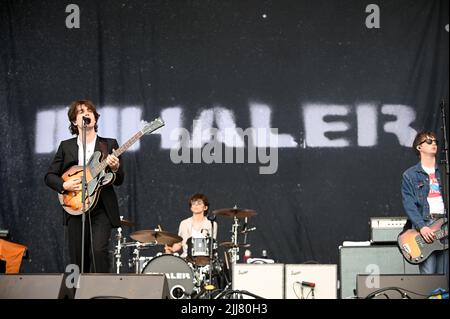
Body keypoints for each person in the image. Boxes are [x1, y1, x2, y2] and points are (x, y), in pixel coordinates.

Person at [45, 100, 124, 273]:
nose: (86, 114)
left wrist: (116, 168)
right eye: (81, 112)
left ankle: (102, 292)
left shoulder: (108, 144)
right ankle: (76, 293)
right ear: (74, 121)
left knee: (98, 251)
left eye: (90, 111)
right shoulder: (66, 146)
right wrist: (64, 184)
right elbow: (49, 176)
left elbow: (119, 179)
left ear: (95, 118)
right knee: (77, 258)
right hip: (75, 206)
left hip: (101, 206)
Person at [401, 131, 448, 274]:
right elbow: (409, 204)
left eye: (435, 141)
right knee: (429, 277)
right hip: (426, 225)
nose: (433, 143)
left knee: (444, 278)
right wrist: (421, 226)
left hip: (444, 222)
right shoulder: (410, 175)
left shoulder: (444, 171)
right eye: (428, 141)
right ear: (419, 147)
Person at [165, 193, 217, 263]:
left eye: (199, 203)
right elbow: (179, 243)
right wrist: (171, 249)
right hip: (186, 259)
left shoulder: (211, 224)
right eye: (193, 203)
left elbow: (211, 245)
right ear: (191, 207)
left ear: (205, 207)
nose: (195, 205)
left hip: (205, 260)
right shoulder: (184, 223)